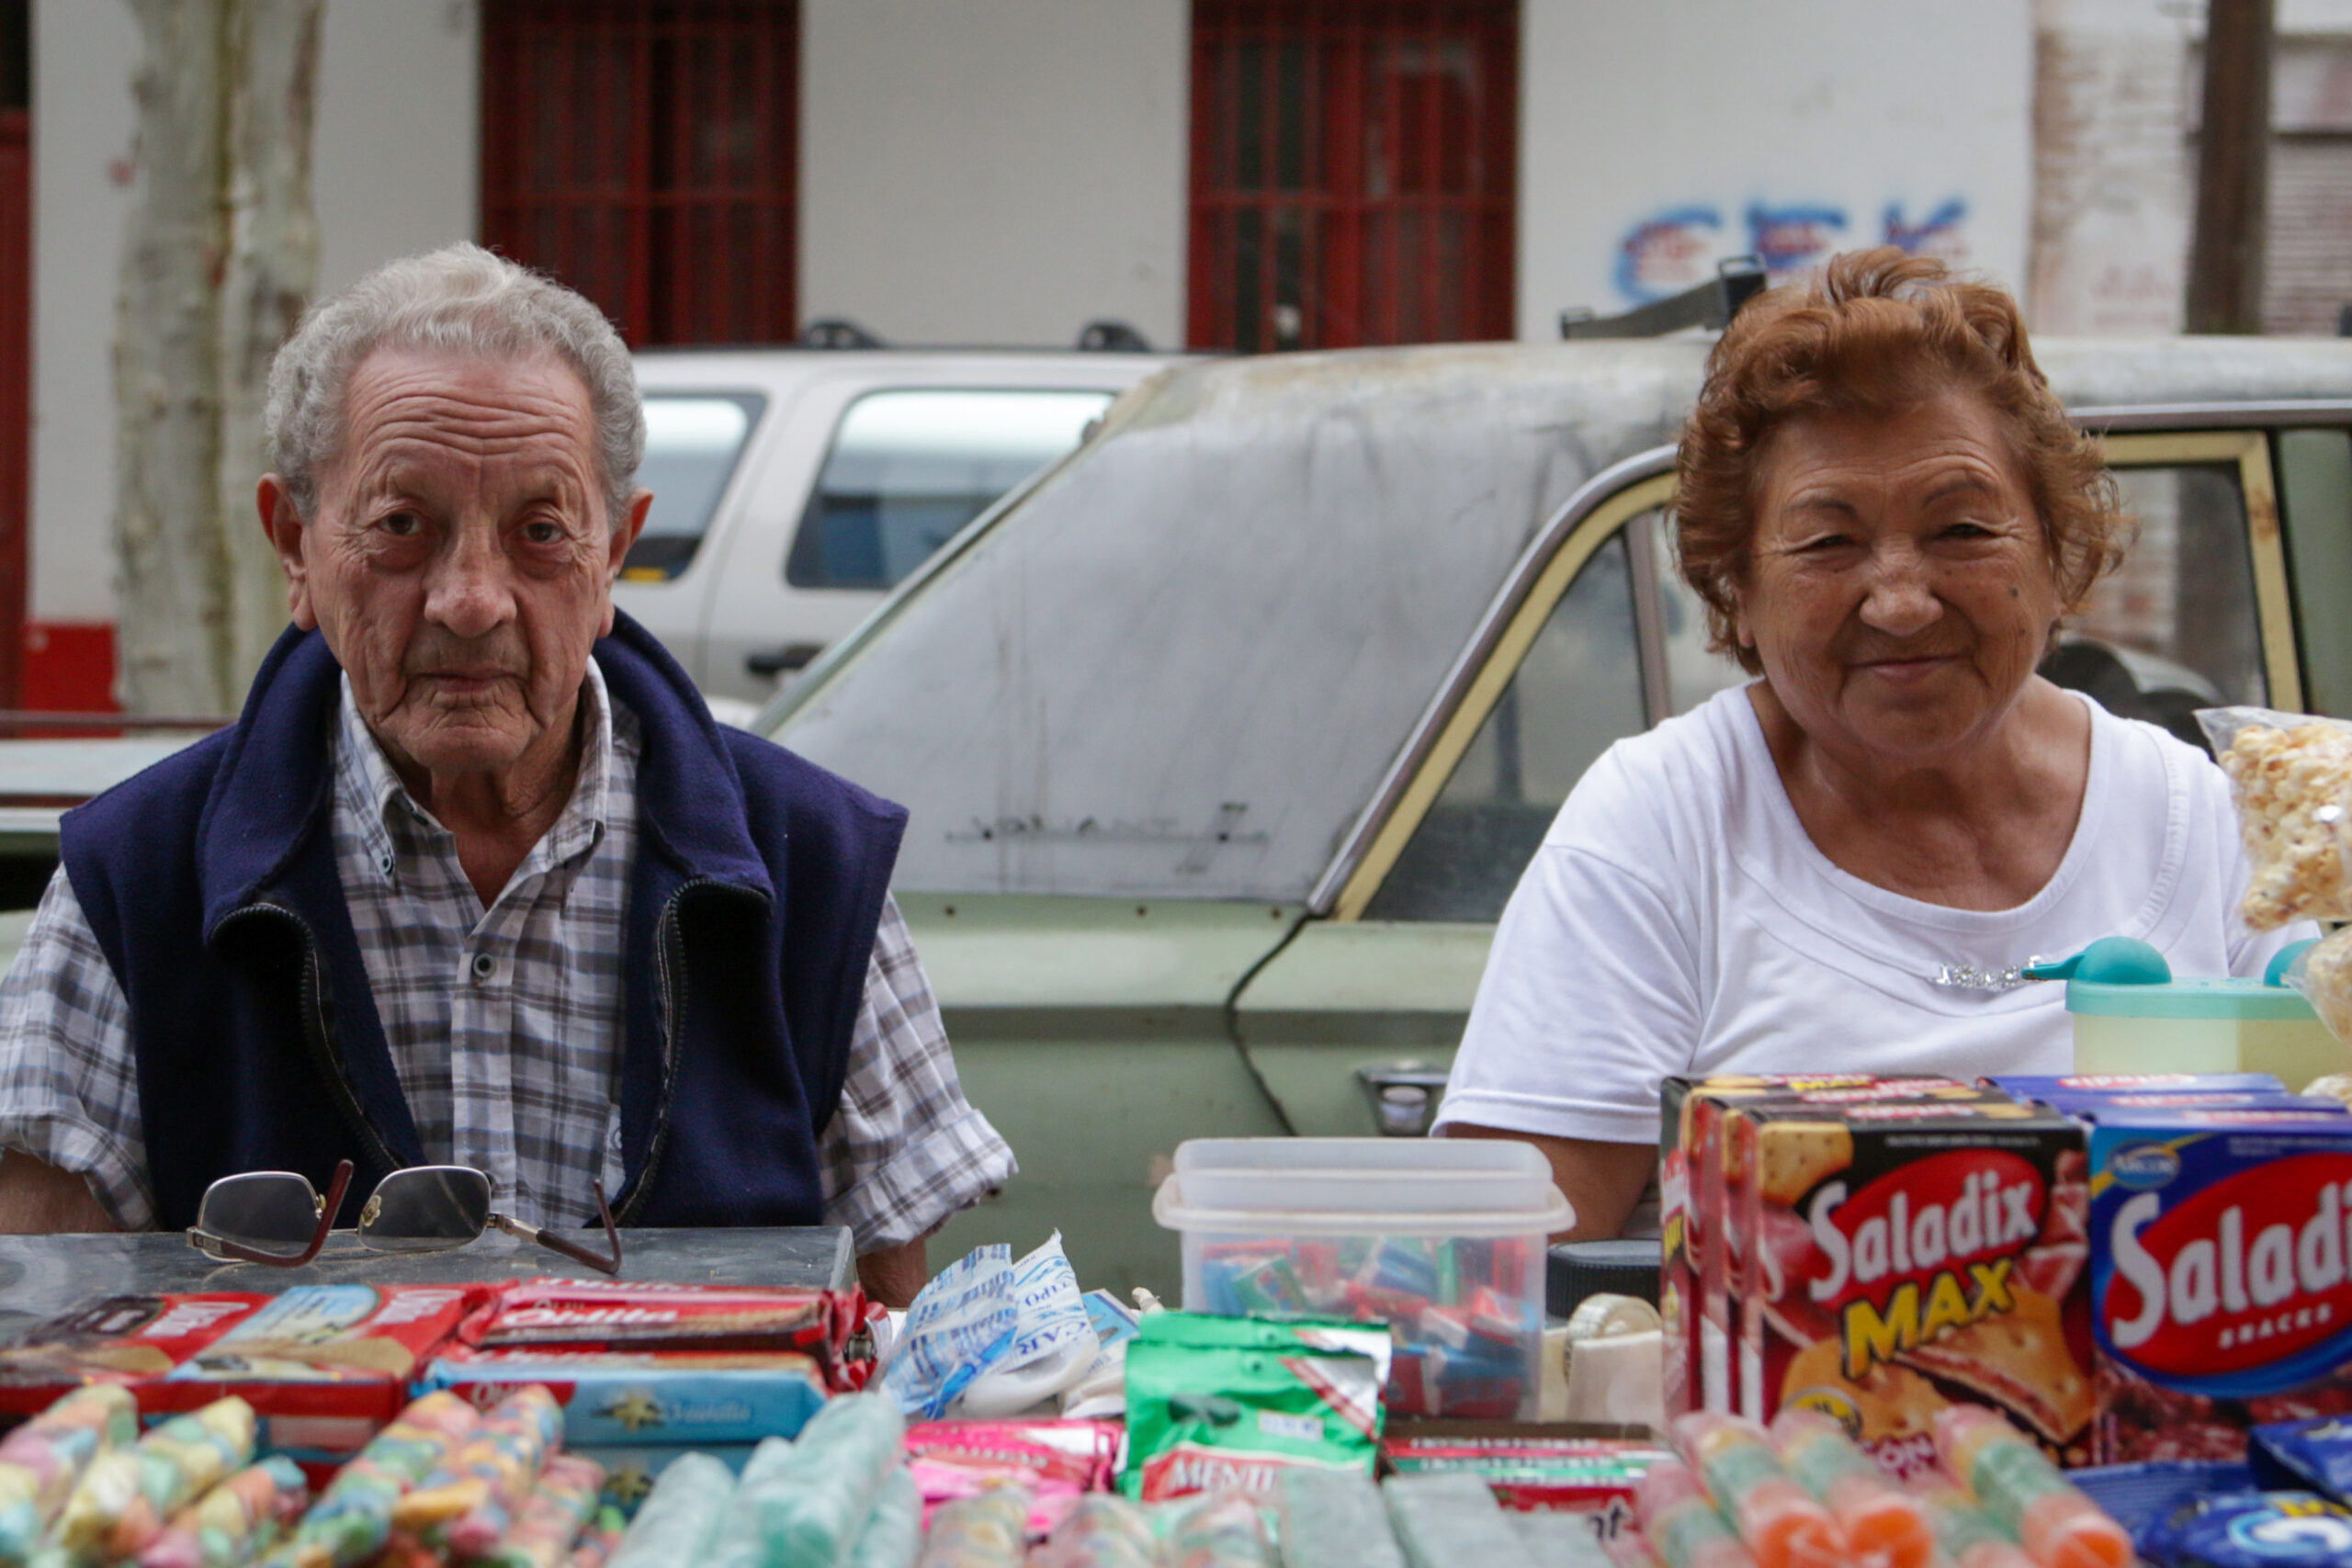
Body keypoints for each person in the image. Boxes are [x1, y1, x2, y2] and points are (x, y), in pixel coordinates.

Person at [0, 244, 1012, 1304]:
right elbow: (48, 1337)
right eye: (402, 527)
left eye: (539, 532)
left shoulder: (808, 865)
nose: (472, 600)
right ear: (295, 545)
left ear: (611, 554)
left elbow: (891, 1347)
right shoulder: (137, 880)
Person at [1434, 248, 2311, 1240]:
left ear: (2058, 557)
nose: (1899, 601)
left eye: (1962, 529)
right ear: (1738, 595)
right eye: (1827, 543)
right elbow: (1510, 1264)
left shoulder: (2199, 820)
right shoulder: (1663, 821)